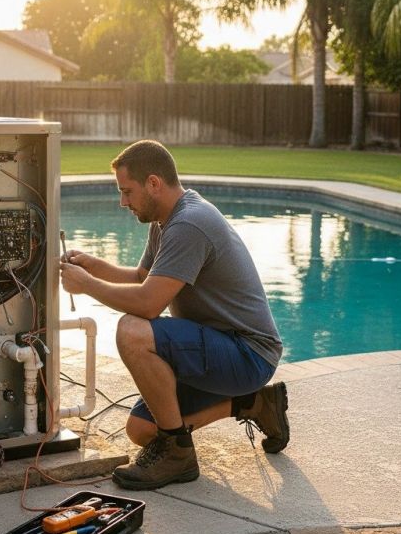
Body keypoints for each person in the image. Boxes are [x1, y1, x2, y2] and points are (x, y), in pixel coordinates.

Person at [60, 139, 288, 491]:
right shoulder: (165, 220)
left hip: (246, 353)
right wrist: (94, 266)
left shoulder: (189, 224)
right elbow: (142, 279)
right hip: (214, 346)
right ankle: (255, 403)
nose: (123, 202)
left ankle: (178, 455)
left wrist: (87, 285)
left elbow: (149, 303)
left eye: (127, 192)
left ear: (154, 183)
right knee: (141, 431)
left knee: (133, 331)